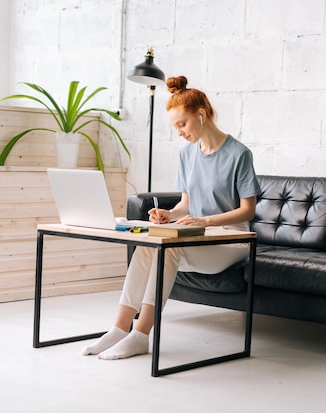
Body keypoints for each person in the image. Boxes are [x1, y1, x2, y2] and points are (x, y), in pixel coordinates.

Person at [82, 76, 261, 360]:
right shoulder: (187, 155)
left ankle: (141, 335)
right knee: (148, 244)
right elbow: (186, 205)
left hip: (231, 240)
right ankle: (119, 329)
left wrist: (205, 222)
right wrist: (170, 214)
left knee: (169, 250)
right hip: (197, 238)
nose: (179, 132)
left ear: (200, 115)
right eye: (175, 126)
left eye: (182, 124)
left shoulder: (239, 154)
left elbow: (247, 211)